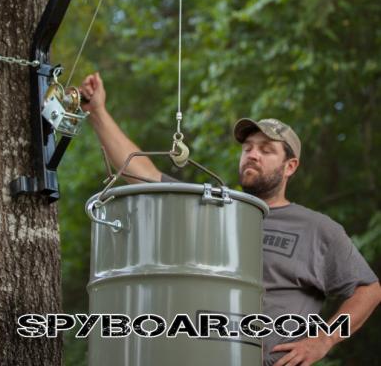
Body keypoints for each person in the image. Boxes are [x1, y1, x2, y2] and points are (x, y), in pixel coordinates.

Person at [80, 72, 381, 366]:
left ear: (290, 166)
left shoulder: (316, 228)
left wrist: (324, 339)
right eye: (248, 148)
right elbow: (141, 174)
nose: (252, 155)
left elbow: (369, 289)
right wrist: (98, 112)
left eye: (266, 150)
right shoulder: (212, 208)